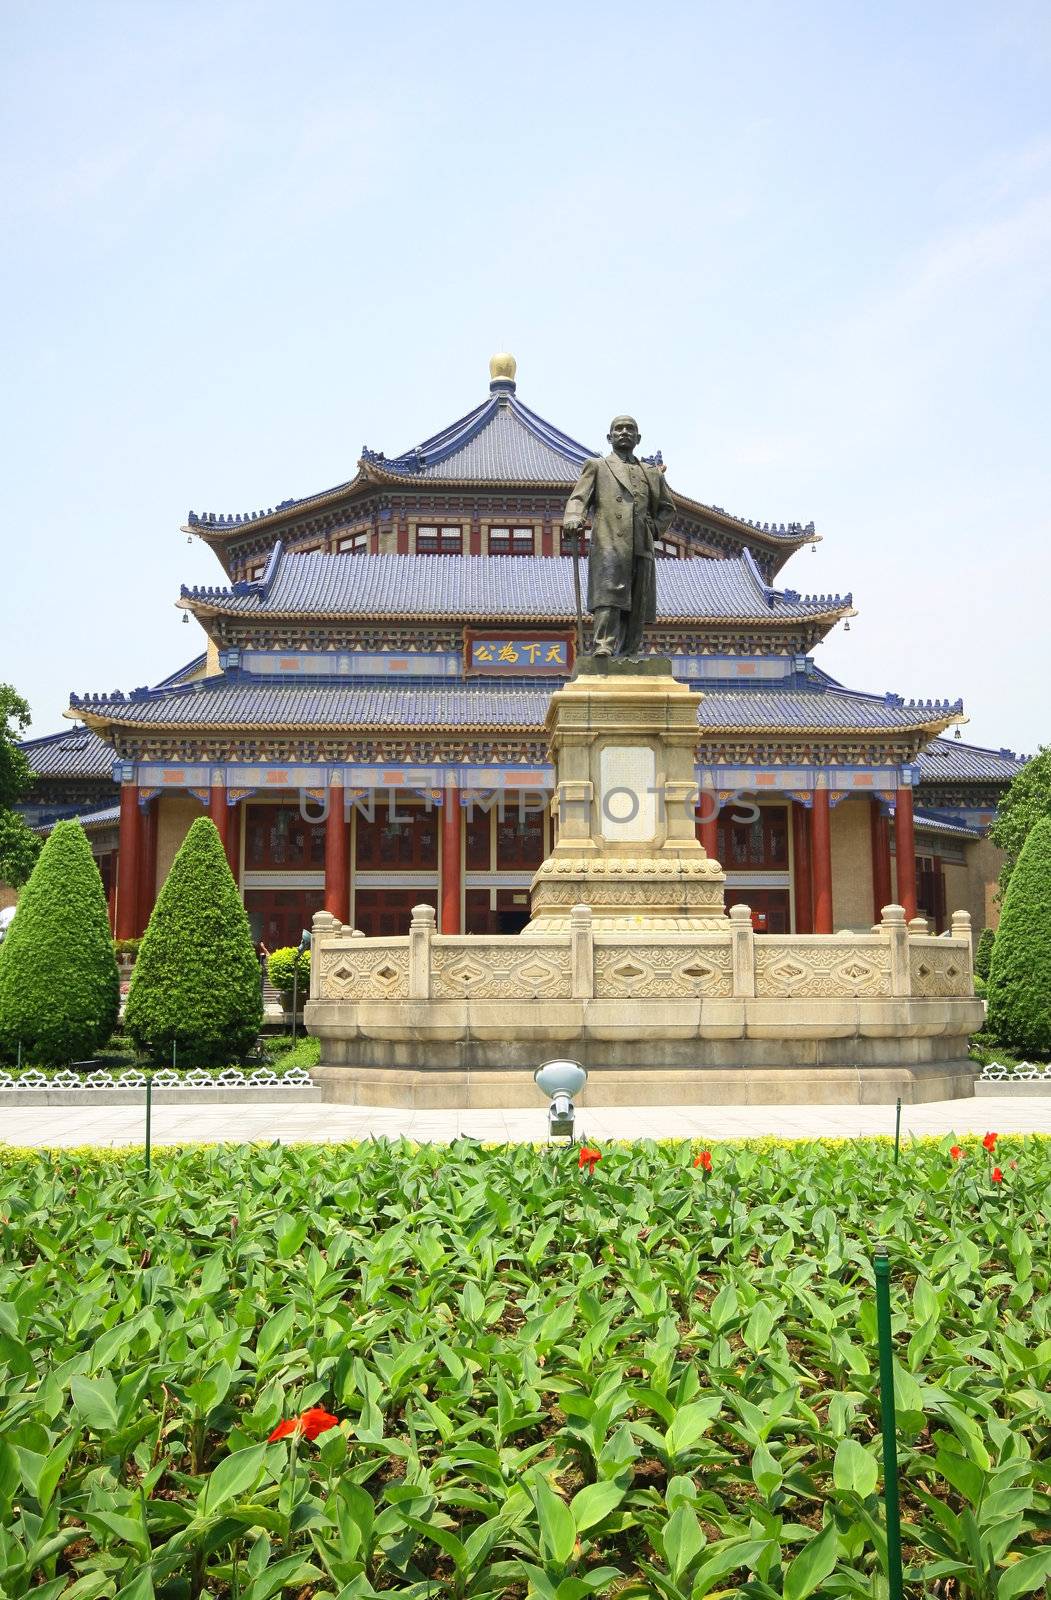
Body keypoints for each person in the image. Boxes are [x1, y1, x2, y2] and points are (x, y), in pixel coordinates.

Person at [562, 414, 674, 657]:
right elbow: (579, 497)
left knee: (637, 597)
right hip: (609, 540)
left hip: (641, 544)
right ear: (609, 436)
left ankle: (630, 649)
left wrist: (654, 529)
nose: (624, 432)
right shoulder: (598, 466)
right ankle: (604, 644)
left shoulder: (651, 473)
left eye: (630, 429)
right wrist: (573, 517)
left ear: (638, 437)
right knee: (609, 592)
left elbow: (667, 508)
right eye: (619, 428)